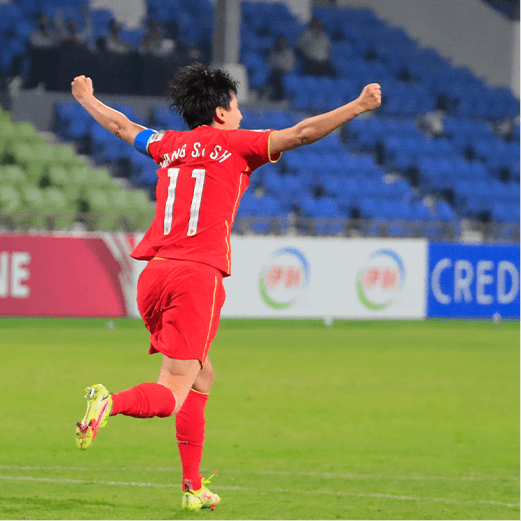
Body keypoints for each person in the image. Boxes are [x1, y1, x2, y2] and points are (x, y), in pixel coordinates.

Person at [71, 63, 381, 511]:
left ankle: (193, 487)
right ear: (220, 113)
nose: (241, 114)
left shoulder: (167, 144)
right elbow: (302, 133)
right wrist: (358, 105)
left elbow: (121, 126)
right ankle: (109, 403)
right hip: (196, 276)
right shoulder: (237, 144)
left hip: (154, 274)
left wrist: (86, 99)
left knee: (202, 374)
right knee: (173, 388)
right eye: (236, 107)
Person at [264, 36, 296, 102]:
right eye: (279, 42)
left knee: (278, 77)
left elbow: (289, 67)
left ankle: (279, 97)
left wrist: (281, 68)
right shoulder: (273, 53)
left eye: (282, 43)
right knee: (274, 75)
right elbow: (269, 64)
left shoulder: (289, 53)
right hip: (274, 72)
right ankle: (272, 96)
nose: (281, 44)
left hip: (286, 73)